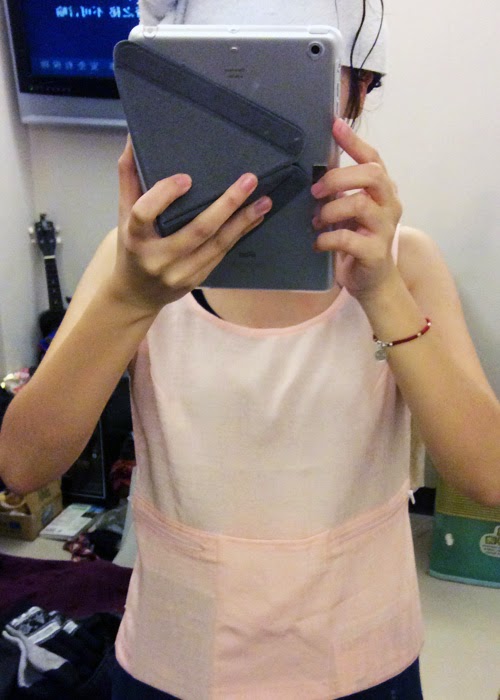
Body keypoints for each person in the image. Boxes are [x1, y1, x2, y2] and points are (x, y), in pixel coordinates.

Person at [1, 1, 500, 698]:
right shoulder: (134, 266)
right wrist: (130, 299)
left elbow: (487, 475)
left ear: (355, 90)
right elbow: (23, 464)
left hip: (360, 654)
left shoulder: (401, 262)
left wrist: (384, 294)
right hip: (177, 657)